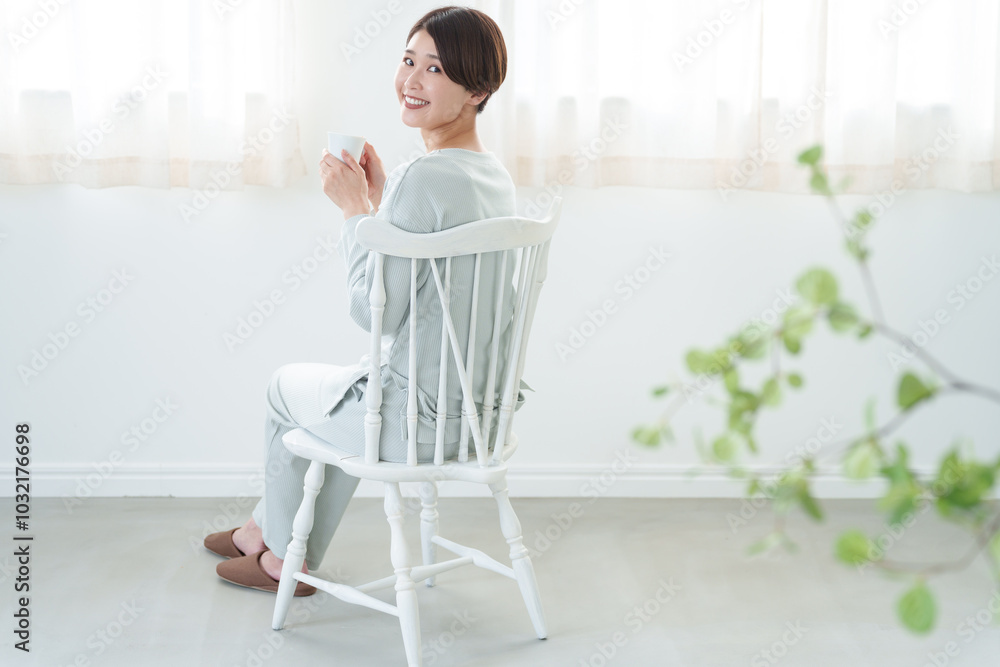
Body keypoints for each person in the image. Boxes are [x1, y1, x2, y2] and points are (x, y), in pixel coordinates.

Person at [203, 6, 522, 596]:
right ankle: (262, 531)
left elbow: (374, 313)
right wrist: (379, 214)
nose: (411, 80)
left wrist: (355, 213)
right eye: (408, 60)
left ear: (477, 89)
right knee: (350, 386)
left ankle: (281, 561)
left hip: (417, 427)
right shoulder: (492, 175)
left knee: (283, 389)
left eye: (435, 69)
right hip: (478, 415)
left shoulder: (423, 177)